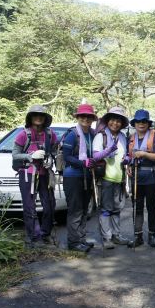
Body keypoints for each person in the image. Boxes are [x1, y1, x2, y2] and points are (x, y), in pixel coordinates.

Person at [12, 105, 58, 249]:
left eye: (41, 115)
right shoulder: (23, 134)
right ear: (30, 118)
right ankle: (33, 237)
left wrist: (51, 159)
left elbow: (55, 151)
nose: (38, 118)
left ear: (45, 118)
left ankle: (45, 234)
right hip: (27, 174)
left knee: (49, 205)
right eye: (35, 115)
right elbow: (15, 155)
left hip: (45, 174)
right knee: (29, 207)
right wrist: (30, 156)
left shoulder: (50, 134)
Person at [92, 106, 131, 249]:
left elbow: (126, 154)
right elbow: (95, 156)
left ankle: (116, 235)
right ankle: (106, 237)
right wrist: (109, 149)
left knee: (117, 209)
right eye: (113, 120)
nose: (115, 123)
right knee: (106, 209)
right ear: (108, 121)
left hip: (119, 178)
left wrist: (127, 158)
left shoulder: (122, 137)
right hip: (106, 178)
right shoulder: (100, 136)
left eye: (118, 121)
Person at [61, 104, 98, 252]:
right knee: (75, 210)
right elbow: (66, 156)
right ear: (78, 117)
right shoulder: (72, 134)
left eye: (89, 117)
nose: (86, 119)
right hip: (73, 176)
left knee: (84, 209)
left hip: (87, 176)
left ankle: (81, 239)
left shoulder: (93, 134)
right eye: (83, 116)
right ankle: (73, 242)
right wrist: (83, 163)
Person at [127, 109, 155, 248]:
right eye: (138, 121)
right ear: (134, 124)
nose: (141, 124)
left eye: (144, 121)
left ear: (148, 124)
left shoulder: (154, 136)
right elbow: (129, 156)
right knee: (137, 207)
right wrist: (129, 164)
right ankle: (138, 236)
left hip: (152, 177)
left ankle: (152, 235)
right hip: (136, 177)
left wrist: (144, 154)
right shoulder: (131, 137)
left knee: (152, 207)